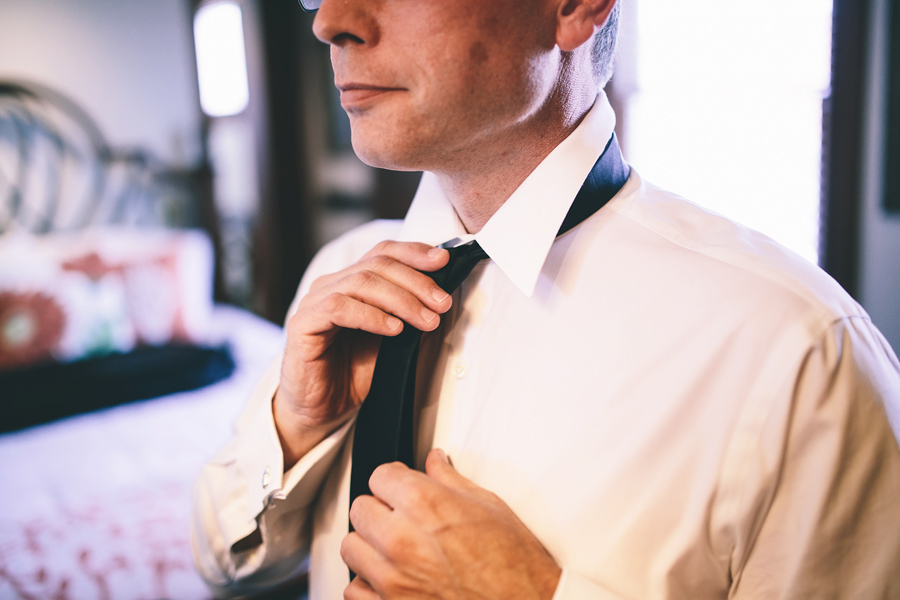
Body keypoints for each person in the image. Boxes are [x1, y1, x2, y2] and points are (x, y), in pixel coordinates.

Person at [190, 0, 900, 597]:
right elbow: (224, 560)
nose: (331, 22)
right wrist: (295, 430)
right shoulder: (342, 274)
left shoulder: (799, 351)